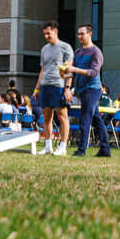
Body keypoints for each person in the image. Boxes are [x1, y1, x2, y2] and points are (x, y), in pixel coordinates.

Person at [68, 23, 110, 157]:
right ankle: (105, 149)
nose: (79, 36)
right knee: (96, 119)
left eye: (82, 33)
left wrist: (74, 69)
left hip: (92, 89)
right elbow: (71, 70)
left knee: (85, 118)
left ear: (90, 34)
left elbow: (93, 72)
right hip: (81, 90)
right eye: (78, 34)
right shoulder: (78, 52)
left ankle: (81, 150)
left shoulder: (96, 52)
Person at [35, 20, 73, 156]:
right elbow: (42, 69)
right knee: (46, 117)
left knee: (62, 116)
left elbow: (69, 70)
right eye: (44, 34)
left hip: (59, 85)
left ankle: (62, 147)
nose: (46, 36)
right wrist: (37, 88)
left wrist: (67, 88)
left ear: (55, 32)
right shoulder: (44, 49)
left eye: (48, 33)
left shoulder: (66, 47)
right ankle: (48, 147)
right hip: (45, 85)